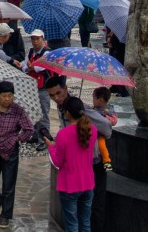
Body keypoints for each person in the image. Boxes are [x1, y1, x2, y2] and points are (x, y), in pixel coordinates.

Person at [44, 75, 112, 232]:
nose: (56, 98)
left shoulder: (81, 109)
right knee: (83, 215)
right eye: (51, 95)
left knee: (94, 208)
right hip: (79, 168)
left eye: (59, 93)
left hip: (94, 164)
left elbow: (107, 129)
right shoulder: (63, 110)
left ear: (66, 89)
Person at [0, 79, 34, 229]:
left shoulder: (18, 110)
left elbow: (29, 129)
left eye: (10, 96)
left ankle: (5, 215)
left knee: (8, 186)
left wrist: (16, 139)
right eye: (4, 96)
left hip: (10, 151)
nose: (7, 99)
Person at [50, 96, 98, 232]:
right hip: (88, 183)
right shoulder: (92, 130)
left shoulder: (63, 134)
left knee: (72, 224)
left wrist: (51, 147)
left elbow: (58, 162)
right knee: (85, 222)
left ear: (68, 113)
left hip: (69, 184)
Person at [24, 29, 52, 134]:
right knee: (33, 111)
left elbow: (42, 66)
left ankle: (44, 139)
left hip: (43, 87)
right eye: (33, 39)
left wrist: (32, 68)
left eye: (37, 39)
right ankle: (35, 135)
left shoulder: (47, 52)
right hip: (32, 86)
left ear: (43, 39)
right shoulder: (31, 51)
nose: (35, 41)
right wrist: (28, 68)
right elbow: (24, 65)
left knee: (43, 113)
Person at [90, 87, 116, 169]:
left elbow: (114, 121)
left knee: (102, 147)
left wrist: (106, 115)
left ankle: (107, 163)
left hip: (100, 135)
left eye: (94, 98)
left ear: (100, 99)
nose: (92, 100)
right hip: (91, 132)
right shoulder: (94, 108)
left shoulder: (109, 110)